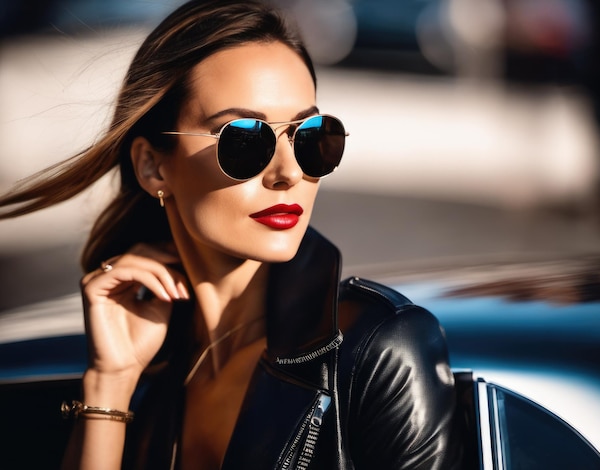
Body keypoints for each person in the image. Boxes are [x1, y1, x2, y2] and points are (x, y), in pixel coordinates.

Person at [0, 1, 463, 468]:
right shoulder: (149, 367)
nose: (288, 173)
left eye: (310, 136)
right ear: (152, 166)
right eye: (245, 140)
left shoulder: (376, 348)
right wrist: (110, 382)